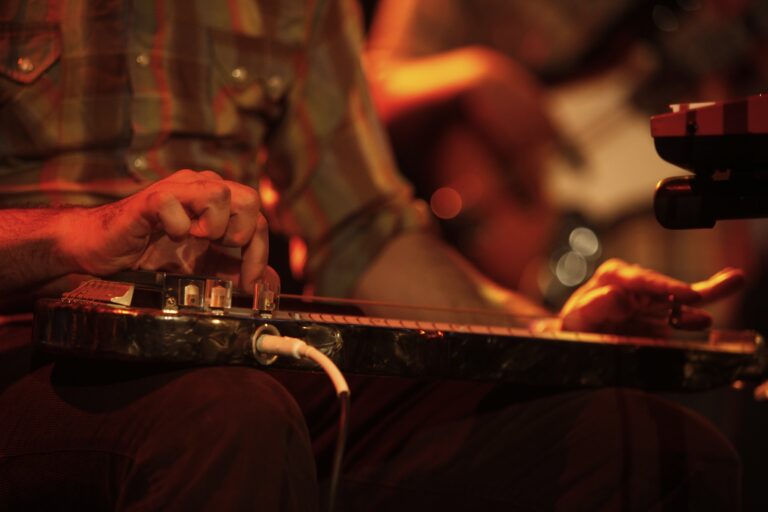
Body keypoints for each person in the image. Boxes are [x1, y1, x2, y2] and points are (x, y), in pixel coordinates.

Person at [0, 0, 747, 509]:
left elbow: (367, 236)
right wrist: (75, 235)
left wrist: (557, 336)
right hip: (29, 356)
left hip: (234, 365)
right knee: (228, 419)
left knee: (654, 449)